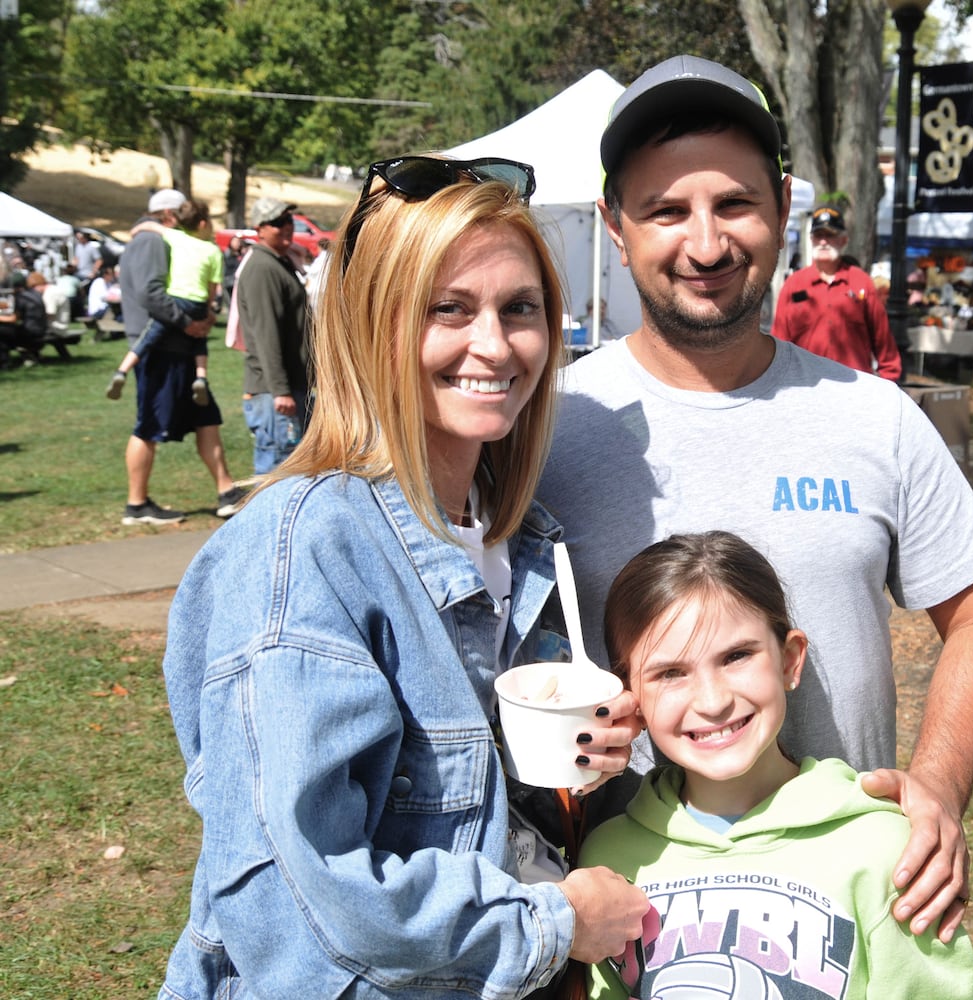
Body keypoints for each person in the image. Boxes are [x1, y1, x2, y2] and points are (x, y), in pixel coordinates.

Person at [536, 54, 973, 943]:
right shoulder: (547, 431)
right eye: (665, 212)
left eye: (733, 203)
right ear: (615, 227)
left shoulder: (873, 418)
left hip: (852, 915)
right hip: (632, 926)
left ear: (784, 205)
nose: (706, 243)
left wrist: (940, 786)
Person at [158, 158, 650, 1000]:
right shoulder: (307, 544)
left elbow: (452, 803)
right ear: (374, 325)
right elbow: (299, 897)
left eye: (519, 309)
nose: (493, 345)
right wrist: (557, 922)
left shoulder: (523, 541)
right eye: (447, 309)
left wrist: (578, 767)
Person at [580, 531, 973, 999]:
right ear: (630, 697)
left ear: (789, 661)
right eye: (670, 673)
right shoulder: (605, 861)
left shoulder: (887, 850)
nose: (712, 701)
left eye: (736, 656)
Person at [118, 188, 245, 525]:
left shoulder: (156, 237)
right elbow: (152, 293)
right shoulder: (151, 242)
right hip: (161, 349)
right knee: (149, 423)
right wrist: (188, 323)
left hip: (177, 348)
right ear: (169, 215)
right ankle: (136, 503)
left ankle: (226, 490)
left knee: (207, 417)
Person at [106, 198, 221, 405]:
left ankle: (121, 371)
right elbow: (150, 292)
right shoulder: (210, 249)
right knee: (200, 341)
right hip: (191, 311)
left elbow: (150, 226)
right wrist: (201, 314)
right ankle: (201, 377)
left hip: (176, 304)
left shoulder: (172, 238)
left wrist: (138, 228)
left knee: (147, 338)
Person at [771, 206, 901, 380]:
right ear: (811, 240)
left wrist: (890, 385)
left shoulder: (861, 282)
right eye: (818, 236)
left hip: (855, 391)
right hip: (806, 388)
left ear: (843, 240)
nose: (823, 242)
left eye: (830, 235)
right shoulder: (794, 285)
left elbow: (882, 339)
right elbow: (779, 343)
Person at [234, 196, 312, 473]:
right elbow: (267, 334)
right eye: (278, 222)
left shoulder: (279, 263)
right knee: (275, 473)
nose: (286, 227)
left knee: (291, 470)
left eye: (289, 220)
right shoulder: (262, 269)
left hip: (288, 387)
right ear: (260, 229)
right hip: (274, 393)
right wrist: (281, 390)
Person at [0, 270, 48, 366]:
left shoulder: (21, 297)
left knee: (2, 333)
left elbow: (13, 319)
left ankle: (4, 362)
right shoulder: (34, 294)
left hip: (31, 333)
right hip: (41, 329)